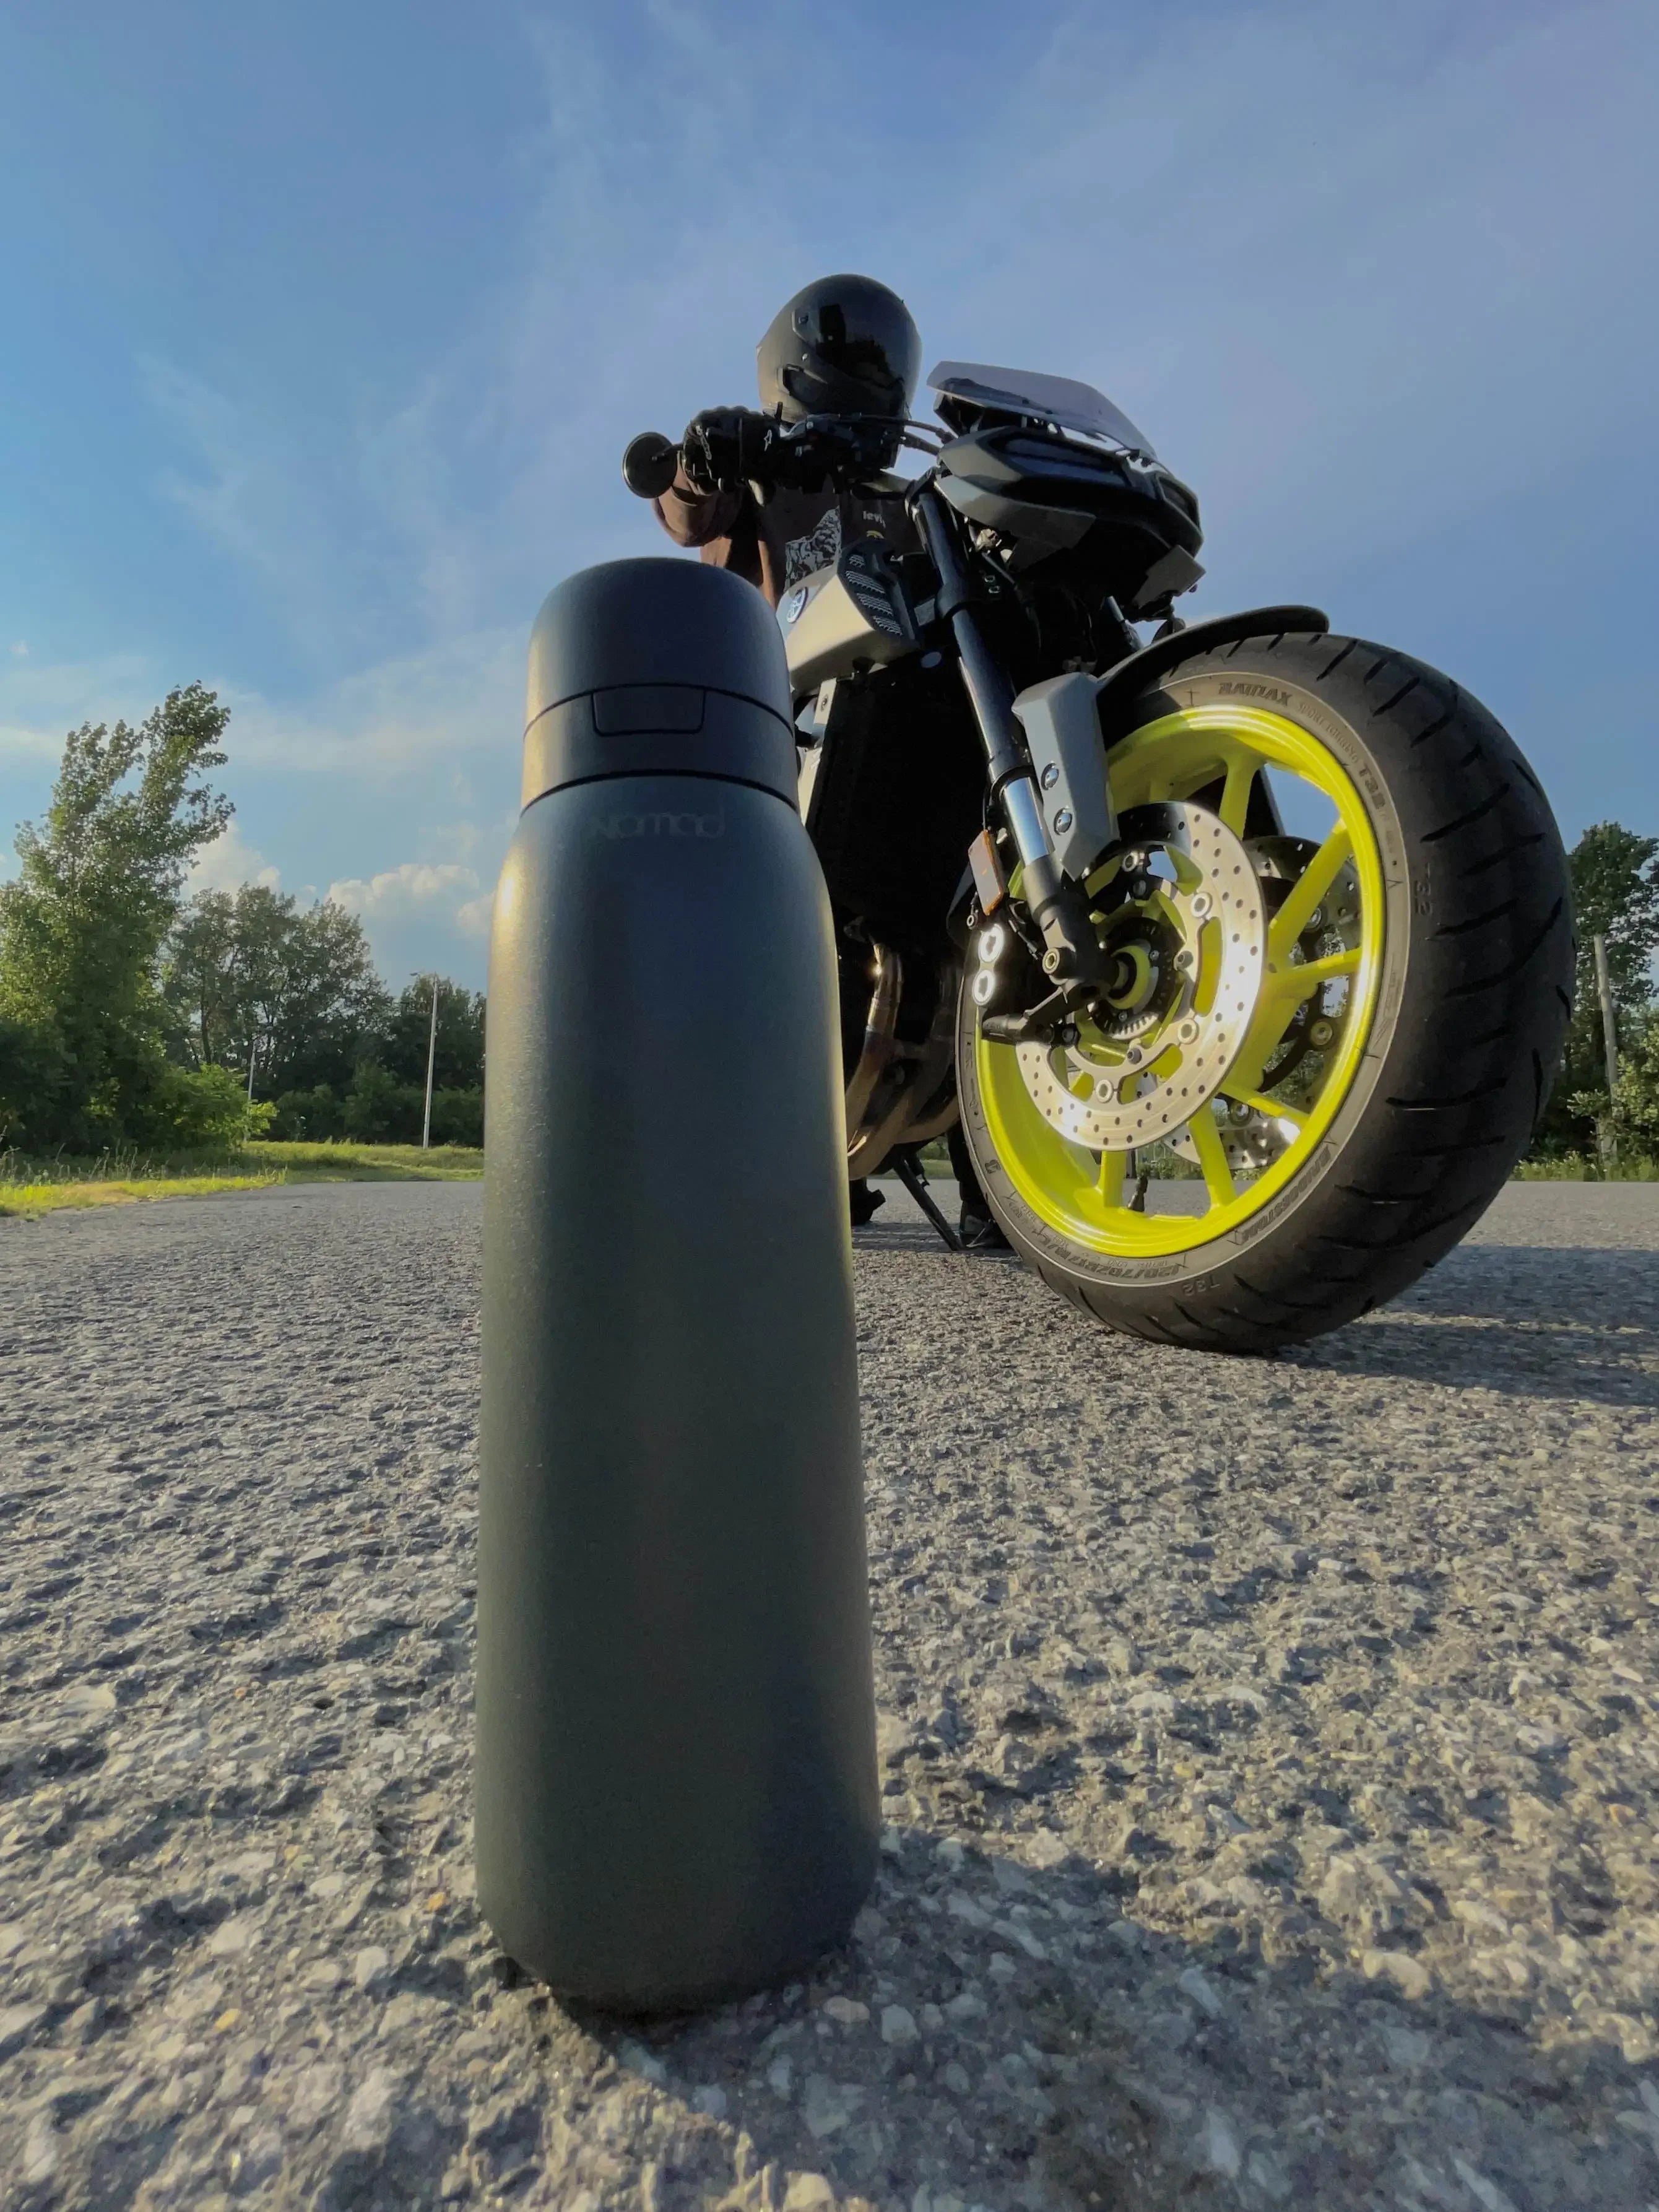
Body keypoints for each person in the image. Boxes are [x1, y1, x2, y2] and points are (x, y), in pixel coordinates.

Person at [651, 272, 1008, 1252]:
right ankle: (778, 1147)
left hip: (934, 715)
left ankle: (997, 1178)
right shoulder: (767, 480)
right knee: (800, 930)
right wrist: (704, 453)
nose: (870, 372)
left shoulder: (912, 495)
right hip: (807, 721)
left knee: (986, 923)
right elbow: (688, 515)